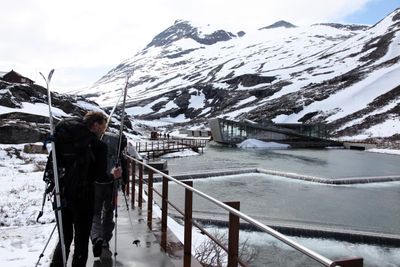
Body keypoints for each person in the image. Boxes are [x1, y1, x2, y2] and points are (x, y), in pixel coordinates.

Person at [49, 111, 122, 267]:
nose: (104, 130)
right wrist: (113, 176)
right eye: (103, 126)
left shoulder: (63, 139)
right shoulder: (98, 146)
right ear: (95, 125)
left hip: (60, 195)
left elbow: (52, 167)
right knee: (81, 242)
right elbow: (100, 177)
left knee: (64, 240)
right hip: (83, 199)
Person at [91, 132, 128, 257]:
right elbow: (124, 163)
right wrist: (124, 183)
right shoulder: (116, 150)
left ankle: (96, 237)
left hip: (96, 184)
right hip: (112, 185)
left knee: (95, 212)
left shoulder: (98, 144)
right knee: (109, 211)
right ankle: (106, 239)